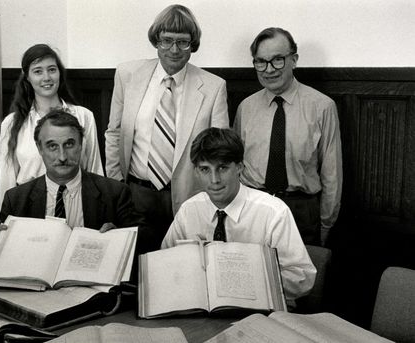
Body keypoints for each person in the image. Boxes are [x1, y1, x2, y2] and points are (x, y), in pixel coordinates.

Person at [105, 4, 229, 250]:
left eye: (183, 42)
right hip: (136, 193)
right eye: (167, 41)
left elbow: (219, 151)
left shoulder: (214, 87)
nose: (174, 50)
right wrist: (117, 186)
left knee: (184, 269)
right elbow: (114, 132)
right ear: (156, 41)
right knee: (137, 267)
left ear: (192, 44)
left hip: (189, 197)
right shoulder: (128, 74)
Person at [162, 128, 316, 303]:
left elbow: (302, 278)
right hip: (200, 309)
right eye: (205, 169)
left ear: (240, 167)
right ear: (196, 171)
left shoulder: (273, 212)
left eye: (222, 168)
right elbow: (166, 264)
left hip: (261, 310)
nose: (214, 180)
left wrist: (245, 280)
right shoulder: (189, 210)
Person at [0, 110, 151, 280]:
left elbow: (146, 239)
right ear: (39, 148)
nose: (62, 157)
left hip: (93, 288)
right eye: (52, 146)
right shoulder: (16, 199)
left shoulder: (114, 192)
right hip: (36, 290)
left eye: (69, 144)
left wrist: (120, 237)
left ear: (81, 145)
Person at [233, 28, 342, 246]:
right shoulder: (246, 107)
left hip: (301, 211)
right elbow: (234, 165)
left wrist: (326, 224)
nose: (269, 69)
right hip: (253, 206)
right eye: (261, 62)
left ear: (294, 60)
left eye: (278, 60)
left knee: (298, 278)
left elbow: (332, 174)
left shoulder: (322, 107)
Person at [0, 44, 103, 218]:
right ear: (27, 78)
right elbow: (6, 180)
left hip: (76, 207)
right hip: (30, 209)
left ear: (60, 73)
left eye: (52, 70)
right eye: (38, 71)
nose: (46, 77)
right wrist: (6, 222)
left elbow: (94, 169)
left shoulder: (84, 116)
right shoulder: (12, 124)